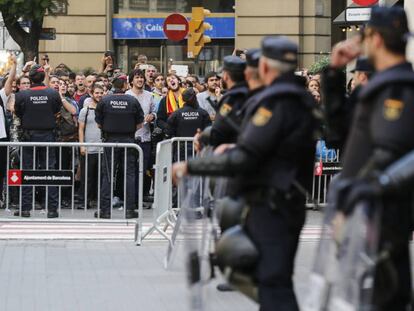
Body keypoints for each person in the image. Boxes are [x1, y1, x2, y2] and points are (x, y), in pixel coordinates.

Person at [173, 36, 317, 311]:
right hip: (283, 201)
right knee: (272, 281)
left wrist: (192, 166)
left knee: (273, 282)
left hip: (273, 204)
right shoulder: (297, 99)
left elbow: (246, 156)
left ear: (264, 67)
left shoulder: (276, 103)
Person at [325, 6, 414, 311]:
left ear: (375, 39)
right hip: (368, 215)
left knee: (383, 297)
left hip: (380, 216)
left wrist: (353, 197)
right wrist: (334, 75)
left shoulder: (398, 89)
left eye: (363, 36)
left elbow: (387, 153)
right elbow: (338, 132)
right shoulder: (379, 88)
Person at [14, 64, 62, 218]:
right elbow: (56, 110)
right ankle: (52, 209)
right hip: (47, 136)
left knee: (27, 171)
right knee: (50, 171)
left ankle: (25, 208)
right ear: (43, 77)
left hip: (30, 137)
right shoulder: (52, 94)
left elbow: (18, 112)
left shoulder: (22, 95)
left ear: (31, 78)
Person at [94, 74, 144, 219]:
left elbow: (98, 123)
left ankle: (105, 211)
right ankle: (129, 210)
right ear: (125, 86)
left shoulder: (104, 100)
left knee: (108, 175)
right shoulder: (132, 101)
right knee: (129, 175)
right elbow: (140, 123)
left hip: (110, 140)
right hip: (129, 140)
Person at [196, 56, 249, 150]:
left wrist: (203, 136)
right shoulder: (250, 93)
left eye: (218, 79)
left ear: (226, 76)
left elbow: (219, 129)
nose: (215, 82)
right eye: (211, 80)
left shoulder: (230, 98)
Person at [126, 69, 156, 201]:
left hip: (145, 138)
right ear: (131, 80)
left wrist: (152, 116)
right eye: (137, 77)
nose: (140, 80)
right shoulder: (126, 95)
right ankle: (129, 198)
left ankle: (139, 197)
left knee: (142, 170)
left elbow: (155, 111)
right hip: (130, 138)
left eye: (142, 78)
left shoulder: (150, 95)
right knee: (130, 170)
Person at [77, 84, 103, 209]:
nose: (99, 95)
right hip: (88, 148)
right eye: (96, 92)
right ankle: (84, 201)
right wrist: (82, 146)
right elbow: (81, 129)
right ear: (92, 94)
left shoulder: (104, 109)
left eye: (101, 92)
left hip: (102, 149)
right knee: (87, 177)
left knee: (100, 178)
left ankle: (97, 201)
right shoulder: (85, 110)